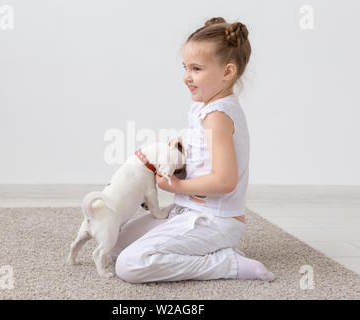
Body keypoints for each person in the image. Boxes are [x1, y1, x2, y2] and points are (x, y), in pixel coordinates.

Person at [109, 17, 275, 283]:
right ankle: (205, 250)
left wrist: (175, 186)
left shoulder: (218, 115)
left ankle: (227, 263)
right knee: (114, 245)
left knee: (130, 264)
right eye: (185, 67)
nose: (187, 76)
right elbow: (203, 158)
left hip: (215, 221)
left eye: (196, 68)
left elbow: (225, 180)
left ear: (227, 72)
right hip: (187, 212)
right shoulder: (202, 107)